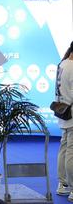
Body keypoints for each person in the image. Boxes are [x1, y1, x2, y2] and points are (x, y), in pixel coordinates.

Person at [56, 41, 73, 198]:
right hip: (72, 112)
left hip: (63, 111)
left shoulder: (62, 64)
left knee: (64, 148)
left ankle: (63, 184)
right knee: (71, 151)